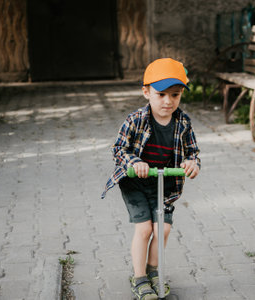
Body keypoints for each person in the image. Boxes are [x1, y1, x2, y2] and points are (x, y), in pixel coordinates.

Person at [101, 58, 201, 300]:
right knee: (145, 229)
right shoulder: (135, 120)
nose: (168, 101)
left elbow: (192, 151)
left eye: (175, 95)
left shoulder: (183, 122)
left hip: (163, 184)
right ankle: (139, 278)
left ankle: (153, 271)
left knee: (163, 229)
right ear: (146, 92)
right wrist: (135, 162)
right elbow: (119, 149)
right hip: (135, 182)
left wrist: (191, 164)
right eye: (161, 94)